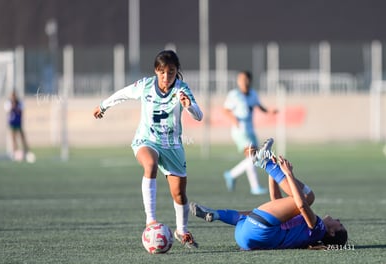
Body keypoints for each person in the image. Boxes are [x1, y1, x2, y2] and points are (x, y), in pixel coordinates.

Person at [93, 50, 203, 249]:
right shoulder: (145, 85)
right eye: (162, 72)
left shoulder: (181, 89)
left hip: (172, 146)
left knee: (179, 194)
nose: (166, 77)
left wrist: (189, 106)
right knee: (150, 164)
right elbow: (124, 93)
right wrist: (104, 106)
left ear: (176, 71)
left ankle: (182, 231)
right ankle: (150, 220)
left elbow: (199, 116)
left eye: (171, 72)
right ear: (156, 71)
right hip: (147, 140)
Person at [190, 138, 348, 250]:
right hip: (245, 238)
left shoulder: (318, 229)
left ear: (332, 232)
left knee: (308, 198)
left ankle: (264, 163)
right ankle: (216, 214)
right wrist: (274, 174)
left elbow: (300, 203)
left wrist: (288, 174)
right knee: (262, 212)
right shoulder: (307, 234)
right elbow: (277, 202)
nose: (339, 220)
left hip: (261, 231)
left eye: (340, 224)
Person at [223, 71, 277, 195]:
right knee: (253, 156)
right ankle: (253, 186)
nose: (243, 82)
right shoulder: (234, 95)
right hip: (240, 131)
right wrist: (234, 120)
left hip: (250, 130)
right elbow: (225, 110)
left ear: (250, 80)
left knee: (254, 157)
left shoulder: (253, 94)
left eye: (245, 79)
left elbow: (259, 106)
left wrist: (269, 111)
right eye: (240, 79)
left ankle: (233, 175)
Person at [4, 91, 35, 162]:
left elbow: (21, 110)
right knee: (13, 138)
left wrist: (16, 107)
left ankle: (27, 151)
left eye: (14, 95)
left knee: (22, 137)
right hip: (12, 123)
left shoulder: (19, 102)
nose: (13, 97)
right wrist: (12, 107)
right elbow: (7, 111)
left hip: (18, 122)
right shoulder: (8, 103)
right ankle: (16, 152)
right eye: (12, 95)